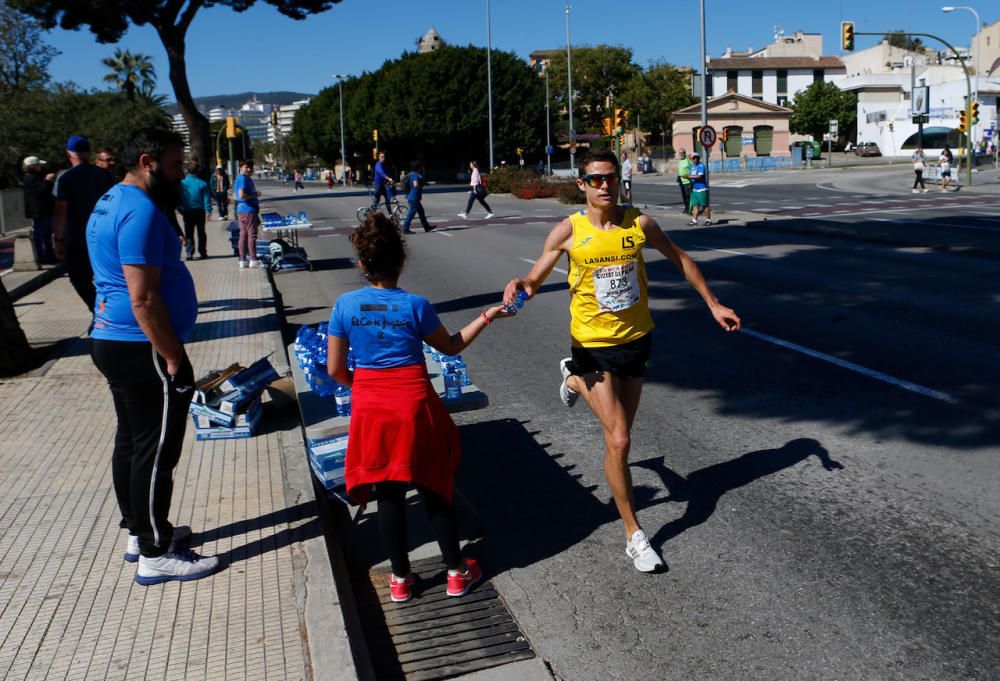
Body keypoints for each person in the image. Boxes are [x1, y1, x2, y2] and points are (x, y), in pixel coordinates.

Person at [501, 148, 740, 573]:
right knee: (619, 440)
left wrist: (713, 303)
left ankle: (573, 382)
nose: (604, 185)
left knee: (621, 433)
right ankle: (634, 533)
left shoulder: (639, 224)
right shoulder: (568, 232)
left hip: (636, 338)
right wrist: (518, 285)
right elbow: (534, 280)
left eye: (610, 177)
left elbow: (680, 258)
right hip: (592, 343)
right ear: (582, 185)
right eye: (595, 179)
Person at [326, 213, 512, 602]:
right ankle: (456, 573)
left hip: (371, 410)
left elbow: (334, 369)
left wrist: (364, 389)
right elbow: (452, 346)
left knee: (388, 492)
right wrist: (486, 316)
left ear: (362, 263)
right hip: (413, 405)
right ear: (401, 261)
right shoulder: (415, 305)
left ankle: (400, 580)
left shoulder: (345, 306)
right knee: (434, 485)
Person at [87, 127, 219, 586]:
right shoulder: (138, 210)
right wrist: (174, 358)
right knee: (157, 450)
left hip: (112, 339)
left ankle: (138, 530)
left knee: (132, 441)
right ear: (148, 162)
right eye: (175, 164)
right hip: (139, 346)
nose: (181, 173)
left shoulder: (108, 202)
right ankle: (155, 552)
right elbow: (143, 299)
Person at [52, 135, 115, 312]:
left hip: (77, 238)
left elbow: (60, 210)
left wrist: (58, 239)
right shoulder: (104, 175)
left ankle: (99, 310)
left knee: (80, 279)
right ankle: (110, 310)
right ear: (88, 152)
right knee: (108, 276)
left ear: (68, 153)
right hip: (104, 234)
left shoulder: (65, 179)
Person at [22, 155, 56, 263]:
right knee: (41, 234)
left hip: (43, 210)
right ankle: (42, 257)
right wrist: (47, 180)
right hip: (39, 211)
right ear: (33, 166)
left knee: (47, 234)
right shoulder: (30, 177)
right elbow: (42, 191)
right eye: (38, 165)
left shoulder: (34, 176)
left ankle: (49, 255)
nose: (40, 167)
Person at [179, 161, 212, 259]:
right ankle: (202, 251)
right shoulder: (203, 184)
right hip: (200, 211)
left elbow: (179, 197)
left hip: (187, 211)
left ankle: (190, 252)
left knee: (189, 232)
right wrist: (208, 211)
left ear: (187, 170)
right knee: (201, 232)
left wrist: (180, 209)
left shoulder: (182, 184)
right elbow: (207, 199)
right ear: (197, 171)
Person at [233, 160, 263, 268]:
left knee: (243, 234)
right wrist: (255, 195)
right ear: (240, 167)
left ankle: (242, 260)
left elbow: (234, 195)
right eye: (246, 167)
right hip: (248, 209)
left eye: (251, 167)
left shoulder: (241, 178)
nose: (249, 169)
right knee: (252, 234)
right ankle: (253, 259)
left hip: (241, 210)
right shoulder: (243, 179)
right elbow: (241, 195)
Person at [401, 161, 436, 234]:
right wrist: (422, 185)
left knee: (421, 212)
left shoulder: (410, 174)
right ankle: (405, 228)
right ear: (418, 167)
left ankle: (426, 226)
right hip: (414, 196)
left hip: (411, 196)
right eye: (421, 167)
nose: (422, 169)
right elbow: (415, 184)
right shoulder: (415, 175)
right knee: (411, 213)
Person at [687, 152, 712, 226]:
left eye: (696, 158)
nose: (695, 159)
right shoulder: (692, 166)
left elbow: (699, 176)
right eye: (693, 158)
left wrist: (689, 177)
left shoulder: (701, 166)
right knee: (695, 206)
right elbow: (691, 175)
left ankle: (708, 220)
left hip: (702, 189)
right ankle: (694, 220)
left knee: (704, 206)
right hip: (695, 189)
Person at [676, 149, 692, 214]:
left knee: (688, 196)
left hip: (687, 181)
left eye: (682, 153)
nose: (681, 154)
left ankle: (690, 209)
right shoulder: (680, 161)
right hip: (681, 180)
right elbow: (680, 170)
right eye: (680, 153)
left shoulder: (688, 161)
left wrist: (690, 176)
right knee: (684, 196)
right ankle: (686, 208)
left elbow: (692, 168)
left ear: (685, 153)